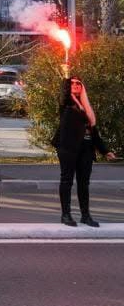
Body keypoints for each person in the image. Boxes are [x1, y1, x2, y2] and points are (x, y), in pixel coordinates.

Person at [54, 77, 116, 227]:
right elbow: (66, 103)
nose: (75, 85)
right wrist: (66, 81)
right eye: (72, 83)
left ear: (82, 87)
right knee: (67, 180)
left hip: (86, 148)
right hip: (68, 147)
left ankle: (85, 216)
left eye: (78, 83)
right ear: (68, 87)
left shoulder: (86, 106)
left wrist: (105, 150)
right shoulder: (66, 103)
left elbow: (93, 131)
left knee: (84, 183)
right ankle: (66, 215)